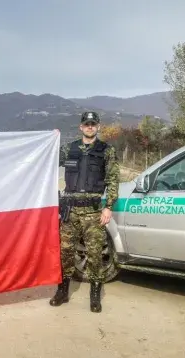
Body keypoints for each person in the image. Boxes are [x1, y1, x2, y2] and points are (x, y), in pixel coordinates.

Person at [50, 111, 119, 312]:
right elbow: (47, 164)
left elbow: (113, 180)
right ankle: (62, 291)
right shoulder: (68, 150)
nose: (90, 127)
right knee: (65, 253)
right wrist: (49, 141)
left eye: (93, 124)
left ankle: (95, 295)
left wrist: (109, 207)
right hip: (70, 211)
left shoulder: (106, 150)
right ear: (81, 127)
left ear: (98, 127)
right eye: (86, 124)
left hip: (93, 211)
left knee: (95, 254)